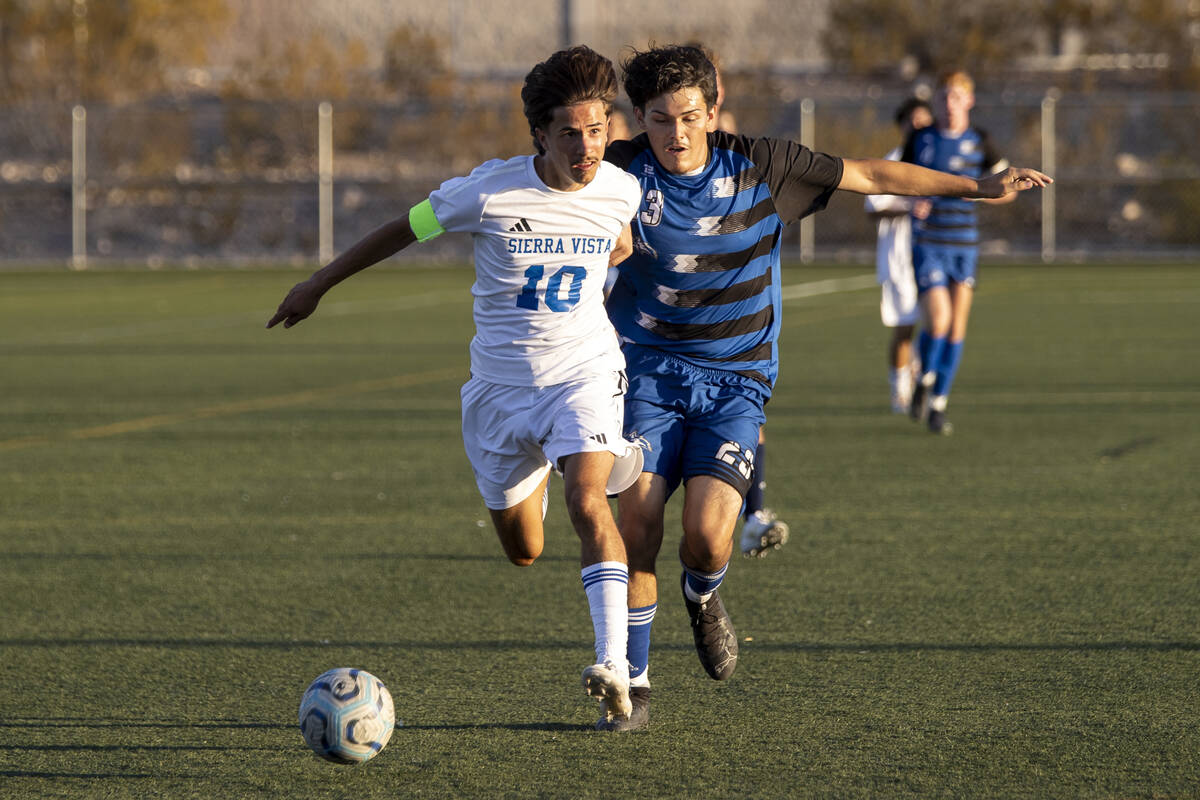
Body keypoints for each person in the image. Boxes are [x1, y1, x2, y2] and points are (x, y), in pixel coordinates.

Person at [603, 44, 1050, 730]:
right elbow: (545, 191)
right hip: (648, 375)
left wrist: (981, 187)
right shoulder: (620, 171)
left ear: (713, 107)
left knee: (707, 538)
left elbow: (872, 173)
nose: (677, 134)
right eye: (660, 120)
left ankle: (702, 595)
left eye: (690, 116)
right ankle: (631, 681)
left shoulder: (764, 165)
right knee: (636, 523)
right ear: (640, 118)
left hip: (735, 381)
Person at [267, 46, 644, 731]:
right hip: (498, 397)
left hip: (583, 374)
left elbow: (615, 239)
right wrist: (317, 284)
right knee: (524, 550)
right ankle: (567, 464)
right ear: (538, 134)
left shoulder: (622, 187)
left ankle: (615, 666)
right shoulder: (488, 192)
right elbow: (399, 232)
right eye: (568, 132)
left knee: (589, 502)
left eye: (597, 131)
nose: (586, 147)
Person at [903, 70, 1015, 434]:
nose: (948, 105)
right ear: (935, 102)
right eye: (942, 98)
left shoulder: (980, 140)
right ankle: (924, 377)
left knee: (956, 329)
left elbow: (1008, 190)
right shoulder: (920, 138)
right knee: (938, 319)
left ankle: (938, 402)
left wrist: (982, 192)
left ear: (969, 101)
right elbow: (896, 179)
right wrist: (913, 201)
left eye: (955, 98)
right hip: (928, 243)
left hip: (964, 244)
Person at [864, 97, 935, 414]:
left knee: (935, 323)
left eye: (924, 120)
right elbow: (873, 208)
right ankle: (899, 393)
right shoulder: (894, 160)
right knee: (905, 326)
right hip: (900, 256)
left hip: (935, 251)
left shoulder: (936, 159)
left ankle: (926, 383)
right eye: (913, 121)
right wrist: (907, 207)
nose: (919, 126)